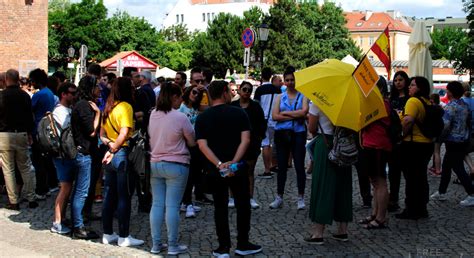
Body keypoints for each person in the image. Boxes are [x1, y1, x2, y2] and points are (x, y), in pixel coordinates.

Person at [195, 80, 262, 257]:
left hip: (214, 169)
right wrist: (233, 162)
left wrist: (219, 164)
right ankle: (243, 243)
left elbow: (202, 145)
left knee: (220, 206)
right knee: (242, 204)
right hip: (237, 167)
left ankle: (223, 246)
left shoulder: (203, 117)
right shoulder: (239, 113)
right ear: (226, 92)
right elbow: (245, 140)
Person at [148, 82, 195, 255]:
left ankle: (156, 244)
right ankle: (173, 245)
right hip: (177, 164)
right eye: (180, 97)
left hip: (155, 163)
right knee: (173, 206)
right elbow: (192, 141)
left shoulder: (153, 114)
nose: (181, 100)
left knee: (157, 204)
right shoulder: (180, 117)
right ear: (174, 97)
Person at [100, 77, 144, 247]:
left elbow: (102, 134)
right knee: (124, 196)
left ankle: (107, 232)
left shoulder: (108, 107)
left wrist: (109, 146)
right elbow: (125, 132)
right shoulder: (126, 107)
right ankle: (124, 236)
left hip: (110, 153)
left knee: (109, 195)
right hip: (121, 153)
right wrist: (114, 149)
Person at [305, 101, 352, 244]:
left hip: (325, 143)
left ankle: (318, 232)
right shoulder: (347, 103)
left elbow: (312, 128)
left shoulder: (318, 102)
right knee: (343, 186)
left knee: (323, 185)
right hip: (343, 145)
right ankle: (342, 230)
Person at [270, 67, 309, 210]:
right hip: (282, 134)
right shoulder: (280, 97)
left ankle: (301, 197)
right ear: (284, 81)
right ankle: (279, 196)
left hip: (298, 133)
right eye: (287, 80)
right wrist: (296, 114)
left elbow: (304, 112)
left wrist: (285, 113)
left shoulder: (303, 95)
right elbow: (275, 116)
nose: (290, 82)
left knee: (299, 165)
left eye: (292, 79)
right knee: (281, 166)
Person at [396, 76, 434, 220]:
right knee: (421, 177)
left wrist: (401, 136)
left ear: (419, 88)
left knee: (411, 178)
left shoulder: (412, 101)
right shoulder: (426, 101)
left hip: (413, 144)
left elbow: (408, 120)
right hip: (426, 144)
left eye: (412, 85)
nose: (409, 87)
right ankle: (422, 207)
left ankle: (411, 209)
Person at [430, 81, 474, 206]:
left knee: (458, 168)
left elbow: (445, 125)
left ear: (451, 92)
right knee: (447, 166)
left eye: (448, 90)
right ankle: (441, 192)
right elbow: (469, 123)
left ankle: (472, 193)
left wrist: (439, 138)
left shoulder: (450, 107)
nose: (447, 92)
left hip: (453, 141)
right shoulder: (464, 105)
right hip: (462, 140)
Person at [0, 69, 37, 210]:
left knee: (8, 169)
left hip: (4, 135)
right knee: (26, 167)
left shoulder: (2, 96)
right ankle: (31, 197)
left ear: (7, 79)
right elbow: (30, 117)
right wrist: (29, 134)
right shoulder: (25, 96)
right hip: (21, 133)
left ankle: (13, 201)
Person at [358, 77, 392, 229]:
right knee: (374, 181)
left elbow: (365, 121)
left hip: (378, 146)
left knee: (380, 182)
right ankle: (375, 213)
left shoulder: (381, 104)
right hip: (371, 145)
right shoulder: (374, 103)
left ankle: (380, 218)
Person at [70, 76, 101, 239]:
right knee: (81, 192)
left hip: (83, 152)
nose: (100, 88)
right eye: (97, 85)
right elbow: (91, 131)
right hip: (83, 153)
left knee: (79, 190)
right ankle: (78, 226)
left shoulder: (81, 104)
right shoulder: (84, 106)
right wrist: (97, 114)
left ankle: (77, 222)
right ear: (90, 88)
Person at [231, 81, 266, 209]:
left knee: (249, 171)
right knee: (233, 170)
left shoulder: (256, 107)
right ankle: (232, 197)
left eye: (249, 90)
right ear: (240, 90)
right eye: (244, 89)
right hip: (235, 144)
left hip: (252, 144)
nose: (246, 92)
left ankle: (250, 197)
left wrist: (258, 140)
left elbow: (262, 125)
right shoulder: (233, 106)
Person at [50, 82, 77, 234]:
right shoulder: (60, 112)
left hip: (64, 154)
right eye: (72, 93)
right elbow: (65, 134)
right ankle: (57, 222)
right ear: (63, 94)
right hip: (62, 155)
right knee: (65, 188)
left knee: (67, 187)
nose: (74, 96)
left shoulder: (67, 109)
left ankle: (62, 218)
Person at [30, 68, 56, 199]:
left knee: (38, 161)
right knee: (45, 160)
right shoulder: (49, 93)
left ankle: (41, 189)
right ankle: (47, 186)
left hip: (38, 131)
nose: (31, 83)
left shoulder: (39, 95)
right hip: (47, 130)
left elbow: (30, 111)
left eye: (32, 81)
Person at [178, 85, 204, 218]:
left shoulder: (195, 108)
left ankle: (186, 201)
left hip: (195, 143)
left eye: (198, 94)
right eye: (194, 92)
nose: (196, 95)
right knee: (188, 175)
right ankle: (186, 203)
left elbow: (210, 107)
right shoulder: (181, 107)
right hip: (185, 144)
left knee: (193, 175)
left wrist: (205, 90)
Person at [387, 70, 410, 212]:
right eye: (396, 80)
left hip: (406, 141)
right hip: (392, 140)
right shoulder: (391, 100)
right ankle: (393, 200)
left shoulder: (410, 99)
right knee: (393, 173)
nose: (398, 83)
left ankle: (409, 201)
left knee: (407, 173)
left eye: (401, 80)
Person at [254, 67, 281, 178]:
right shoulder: (277, 90)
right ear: (270, 76)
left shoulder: (259, 90)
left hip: (263, 119)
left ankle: (267, 169)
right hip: (275, 118)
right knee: (276, 143)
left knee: (265, 144)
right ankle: (275, 165)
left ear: (262, 76)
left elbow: (256, 106)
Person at [428, 93, 443, 177]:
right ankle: (435, 167)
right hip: (440, 131)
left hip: (435, 133)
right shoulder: (440, 108)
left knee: (436, 152)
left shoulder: (432, 109)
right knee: (436, 151)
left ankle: (437, 170)